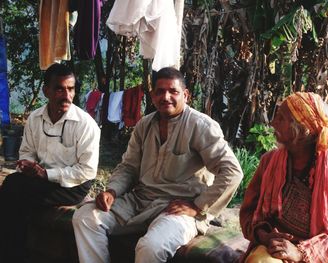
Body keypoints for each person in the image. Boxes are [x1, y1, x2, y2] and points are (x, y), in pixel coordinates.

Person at [72, 67, 243, 263]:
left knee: (150, 247)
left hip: (177, 208)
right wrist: (111, 191)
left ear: (185, 95)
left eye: (173, 91)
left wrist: (198, 206)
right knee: (85, 217)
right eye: (160, 91)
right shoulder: (144, 125)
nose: (166, 97)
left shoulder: (200, 125)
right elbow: (129, 167)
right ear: (152, 95)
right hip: (140, 200)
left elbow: (232, 172)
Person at [0, 63, 101, 263]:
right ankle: (15, 253)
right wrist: (28, 166)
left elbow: (87, 171)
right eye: (59, 88)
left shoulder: (85, 124)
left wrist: (46, 174)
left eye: (70, 89)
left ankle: (13, 255)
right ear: (46, 90)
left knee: (14, 192)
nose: (66, 95)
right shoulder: (35, 118)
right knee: (13, 186)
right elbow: (27, 152)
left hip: (73, 185)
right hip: (40, 180)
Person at [239, 92, 328, 262]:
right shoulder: (268, 162)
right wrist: (264, 236)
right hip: (273, 249)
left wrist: (300, 253)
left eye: (281, 119)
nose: (273, 122)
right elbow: (248, 212)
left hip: (316, 255)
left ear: (303, 129)